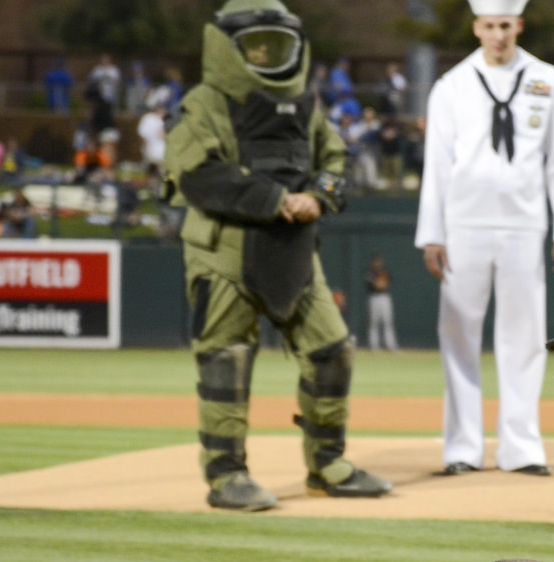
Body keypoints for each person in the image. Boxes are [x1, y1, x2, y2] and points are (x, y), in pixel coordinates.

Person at [162, 0, 393, 510]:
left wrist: (320, 194)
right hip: (224, 252)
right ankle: (226, 476)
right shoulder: (203, 103)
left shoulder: (306, 105)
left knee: (333, 351)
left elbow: (335, 158)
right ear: (227, 48)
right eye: (255, 44)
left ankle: (327, 464)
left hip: (295, 250)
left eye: (277, 43)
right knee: (226, 360)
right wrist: (277, 199)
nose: (267, 53)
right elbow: (197, 173)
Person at [414, 0, 554, 477]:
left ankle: (521, 446)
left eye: (505, 25)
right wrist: (433, 234)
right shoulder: (451, 86)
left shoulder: (547, 79)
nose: (498, 35)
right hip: (464, 223)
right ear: (476, 27)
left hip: (524, 224)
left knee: (525, 338)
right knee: (459, 335)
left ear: (519, 25)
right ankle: (462, 448)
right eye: (489, 26)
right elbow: (437, 164)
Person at [365, 254, 398, 351]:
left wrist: (380, 284)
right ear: (372, 263)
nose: (377, 263)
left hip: (384, 297)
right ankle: (374, 346)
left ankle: (390, 345)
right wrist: (379, 283)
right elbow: (374, 285)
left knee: (388, 321)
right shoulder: (369, 273)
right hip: (374, 297)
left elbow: (386, 284)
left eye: (378, 261)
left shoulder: (385, 272)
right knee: (373, 322)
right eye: (375, 261)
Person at [137, 101, 167, 186]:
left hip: (162, 153)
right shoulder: (149, 119)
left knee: (164, 172)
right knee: (155, 172)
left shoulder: (167, 119)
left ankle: (163, 188)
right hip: (154, 151)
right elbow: (143, 138)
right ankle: (154, 187)